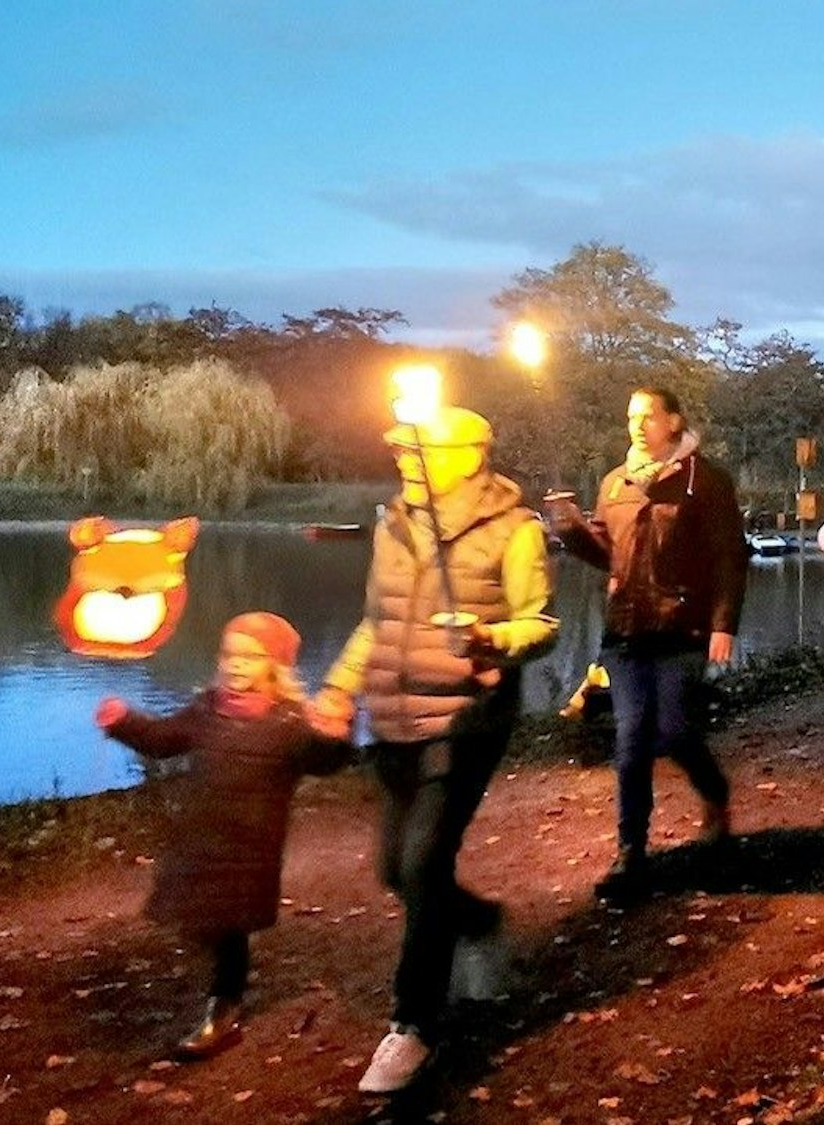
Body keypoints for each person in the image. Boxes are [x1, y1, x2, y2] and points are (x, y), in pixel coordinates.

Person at [314, 405, 557, 1094]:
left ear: (468, 455)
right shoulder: (393, 524)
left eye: (417, 449)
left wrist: (489, 640)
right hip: (393, 718)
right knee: (396, 868)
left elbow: (541, 625)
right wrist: (338, 687)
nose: (403, 459)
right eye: (399, 449)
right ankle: (478, 920)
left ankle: (414, 1024)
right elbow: (377, 621)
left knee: (423, 862)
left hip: (465, 720)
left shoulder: (515, 530)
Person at [96, 613, 351, 1062]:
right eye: (230, 655)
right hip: (201, 837)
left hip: (251, 848)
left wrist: (335, 737)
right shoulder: (206, 710)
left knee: (228, 925)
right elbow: (162, 739)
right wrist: (124, 722)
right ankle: (225, 985)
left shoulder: (289, 722)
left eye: (249, 657)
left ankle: (223, 1008)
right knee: (200, 916)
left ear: (274, 666)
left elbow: (324, 760)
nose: (235, 665)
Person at [546, 387, 747, 909]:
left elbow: (730, 556)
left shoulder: (706, 481)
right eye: (631, 415)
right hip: (626, 631)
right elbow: (608, 554)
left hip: (683, 627)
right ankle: (630, 850)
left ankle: (714, 793)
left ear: (673, 421)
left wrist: (723, 624)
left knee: (674, 729)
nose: (637, 424)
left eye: (648, 415)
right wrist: (571, 532)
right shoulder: (616, 482)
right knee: (632, 736)